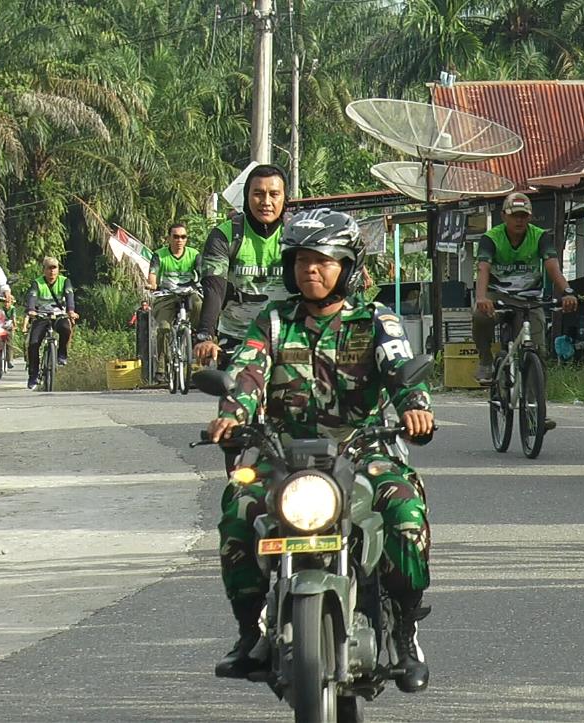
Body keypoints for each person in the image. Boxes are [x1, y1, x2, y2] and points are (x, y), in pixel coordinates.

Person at [205, 209, 435, 693]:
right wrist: (233, 414)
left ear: (347, 267)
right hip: (282, 452)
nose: (311, 270)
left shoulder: (376, 320)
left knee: (405, 511)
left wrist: (415, 409)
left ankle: (407, 630)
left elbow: (401, 369)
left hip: (364, 447)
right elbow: (248, 373)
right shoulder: (271, 321)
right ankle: (250, 632)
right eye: (302, 260)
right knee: (237, 508)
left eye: (324, 261)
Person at [472, 191, 577, 386]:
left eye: (523, 216)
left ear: (530, 217)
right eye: (514, 216)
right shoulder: (491, 238)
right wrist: (481, 297)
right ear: (503, 216)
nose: (519, 221)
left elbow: (552, 267)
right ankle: (485, 360)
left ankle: (537, 410)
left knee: (538, 352)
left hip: (530, 300)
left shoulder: (539, 237)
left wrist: (567, 291)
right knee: (479, 317)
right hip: (498, 297)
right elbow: (483, 268)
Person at [193, 164, 290, 368]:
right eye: (258, 194)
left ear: (284, 198)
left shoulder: (296, 234)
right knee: (238, 397)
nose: (266, 202)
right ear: (246, 197)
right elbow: (214, 289)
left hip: (289, 338)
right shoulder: (225, 235)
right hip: (237, 338)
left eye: (274, 194)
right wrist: (205, 336)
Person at [147, 222, 203, 379]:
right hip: (166, 295)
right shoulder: (159, 255)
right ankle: (161, 367)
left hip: (189, 293)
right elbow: (153, 273)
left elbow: (201, 272)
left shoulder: (194, 254)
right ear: (169, 238)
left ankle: (196, 336)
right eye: (176, 236)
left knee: (199, 304)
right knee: (164, 329)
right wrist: (152, 284)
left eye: (183, 237)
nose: (179, 240)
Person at [25, 256, 78, 389]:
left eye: (54, 268)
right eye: (49, 268)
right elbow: (32, 297)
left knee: (66, 329)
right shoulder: (37, 283)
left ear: (58, 270)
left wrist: (71, 311)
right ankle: (33, 375)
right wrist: (31, 310)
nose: (52, 271)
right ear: (44, 270)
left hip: (59, 315)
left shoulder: (65, 281)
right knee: (33, 344)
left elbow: (69, 296)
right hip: (41, 316)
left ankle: (61, 354)